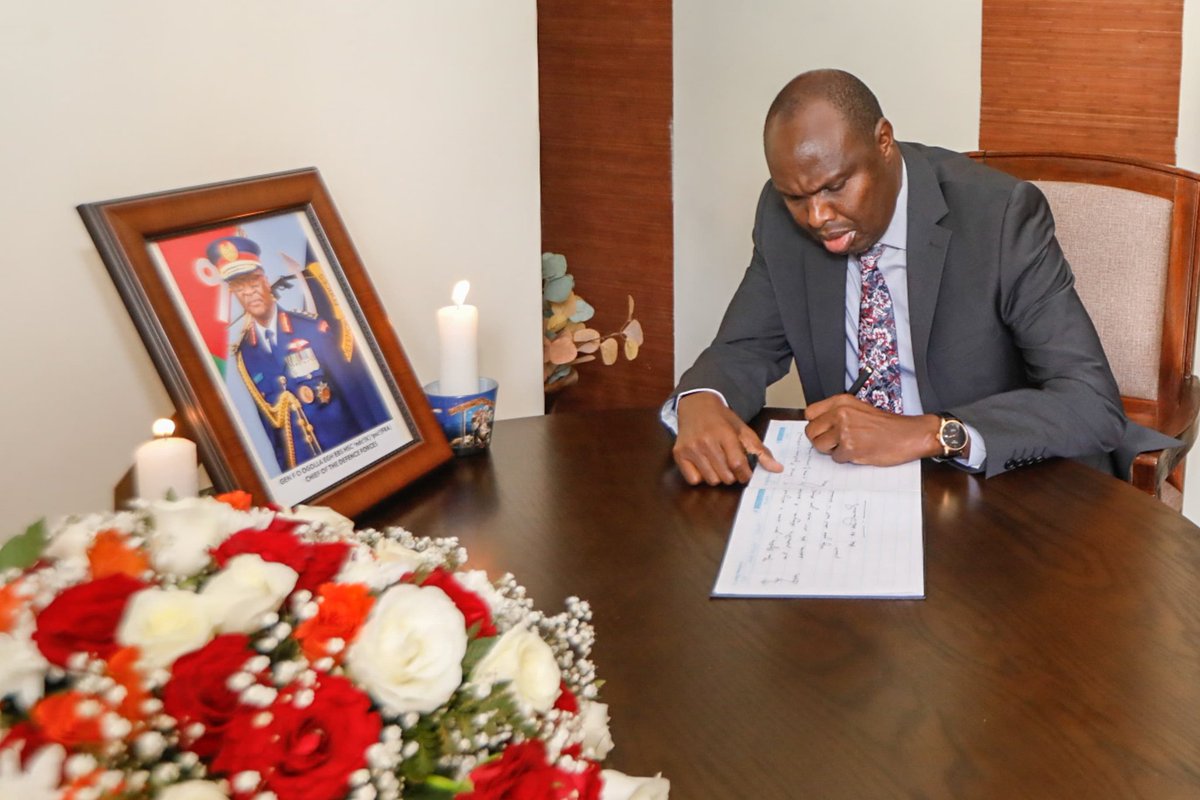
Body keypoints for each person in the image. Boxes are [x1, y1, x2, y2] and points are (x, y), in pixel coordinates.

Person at [667, 69, 1175, 486]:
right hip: (846, 488)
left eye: (836, 186)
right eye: (796, 197)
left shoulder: (998, 216)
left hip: (993, 485)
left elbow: (1090, 403)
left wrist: (932, 433)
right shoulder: (783, 217)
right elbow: (744, 347)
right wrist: (701, 400)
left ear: (884, 143)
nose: (817, 216)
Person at [212, 235, 390, 472]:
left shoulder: (310, 328)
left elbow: (354, 392)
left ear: (265, 281)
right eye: (239, 287)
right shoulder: (245, 355)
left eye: (253, 282)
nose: (250, 293)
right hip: (307, 469)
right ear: (233, 292)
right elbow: (272, 430)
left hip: (350, 452)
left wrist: (382, 450)